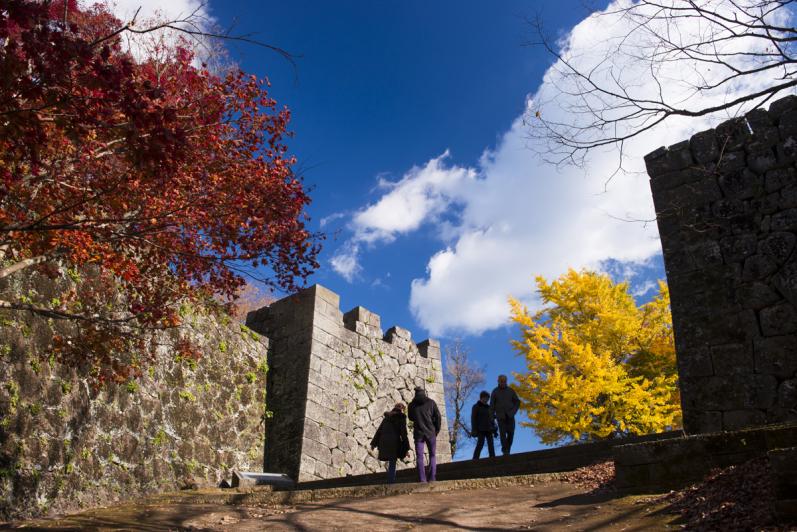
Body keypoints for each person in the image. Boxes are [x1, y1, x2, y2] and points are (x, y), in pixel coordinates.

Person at [370, 403, 410, 484]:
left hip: (384, 442)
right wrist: (407, 448)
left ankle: (390, 480)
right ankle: (391, 481)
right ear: (402, 409)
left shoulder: (386, 418)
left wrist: (373, 444)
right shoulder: (401, 417)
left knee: (390, 460)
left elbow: (379, 431)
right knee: (392, 461)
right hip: (393, 442)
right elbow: (403, 433)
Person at [407, 386, 441, 482]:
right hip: (431, 432)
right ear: (424, 393)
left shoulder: (411, 405)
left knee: (419, 457)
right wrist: (437, 429)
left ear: (415, 394)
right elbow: (438, 417)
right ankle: (432, 478)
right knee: (432, 455)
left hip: (418, 433)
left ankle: (422, 479)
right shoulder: (431, 402)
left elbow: (411, 418)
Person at [490, 374, 520, 455]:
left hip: (510, 416)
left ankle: (507, 449)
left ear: (506, 382)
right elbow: (492, 405)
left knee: (511, 433)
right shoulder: (495, 391)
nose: (503, 383)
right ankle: (505, 451)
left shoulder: (511, 391)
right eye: (501, 381)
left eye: (504, 381)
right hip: (500, 417)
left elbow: (517, 402)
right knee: (502, 434)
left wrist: (513, 412)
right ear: (498, 382)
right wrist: (492, 417)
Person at [471, 390, 496, 459]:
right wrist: (474, 430)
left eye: (488, 398)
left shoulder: (489, 407)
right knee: (480, 444)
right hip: (480, 429)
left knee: (491, 444)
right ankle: (475, 458)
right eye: (486, 398)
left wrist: (494, 429)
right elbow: (473, 419)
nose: (487, 400)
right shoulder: (476, 406)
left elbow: (492, 418)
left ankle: (493, 458)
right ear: (481, 398)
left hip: (489, 429)